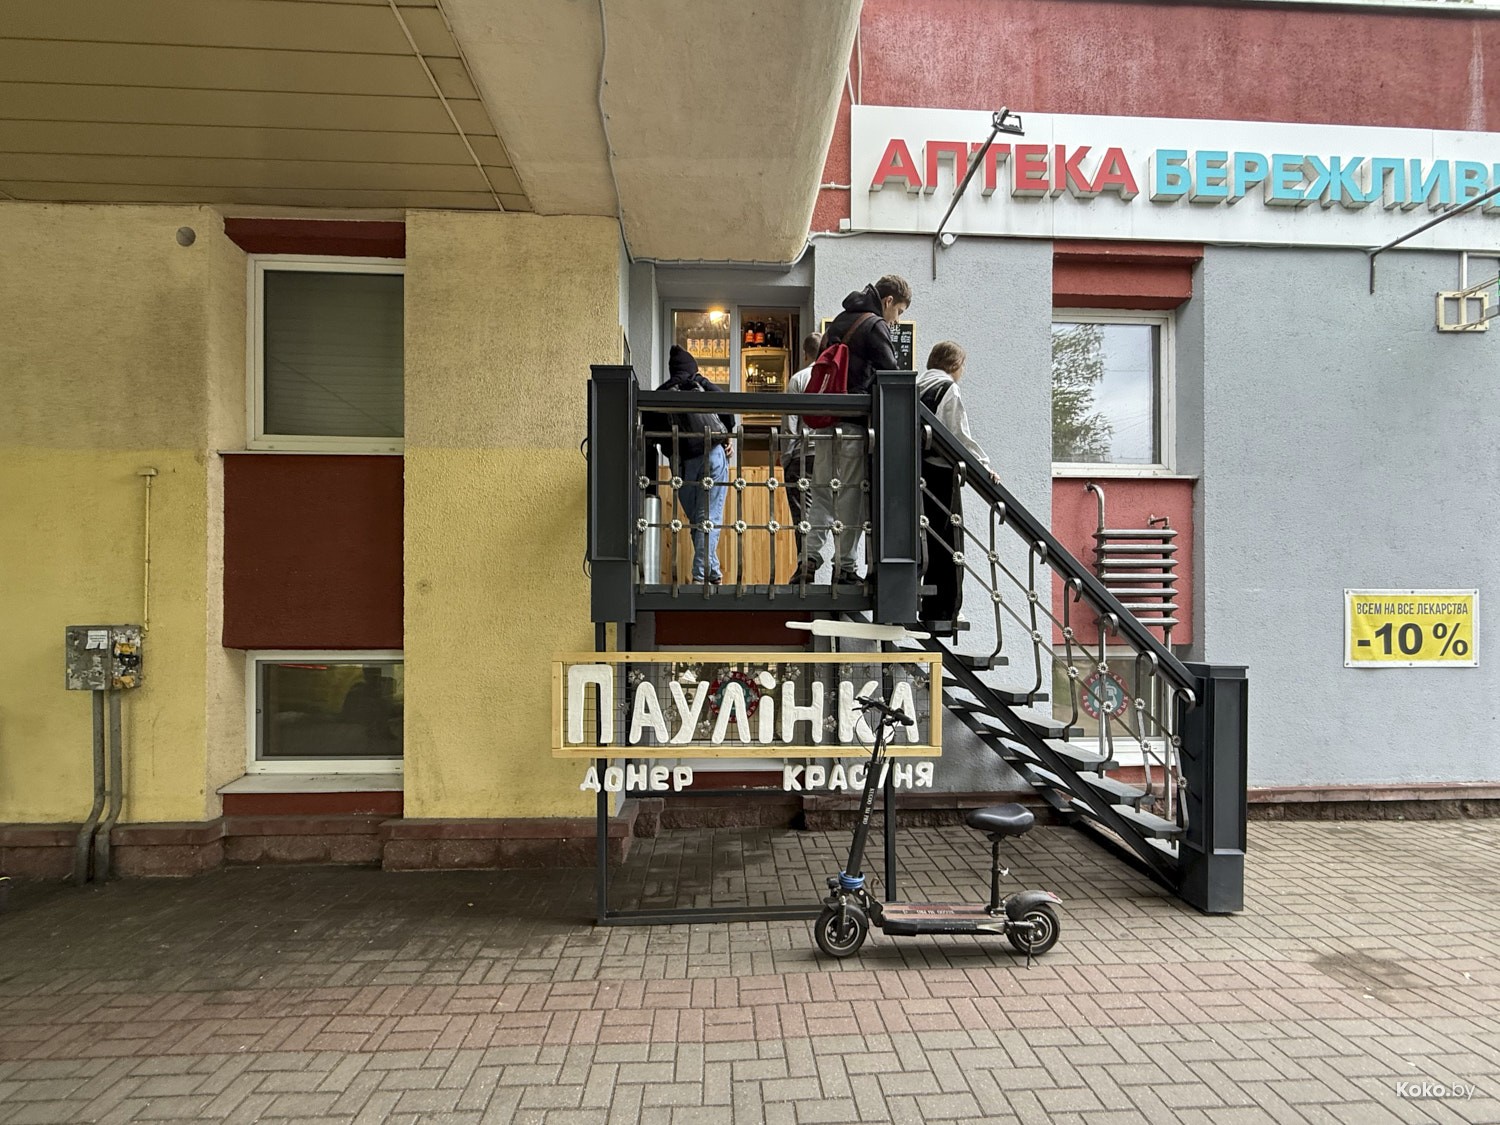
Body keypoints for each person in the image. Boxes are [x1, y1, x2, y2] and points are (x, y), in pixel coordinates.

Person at [805, 274, 912, 584]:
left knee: (821, 493)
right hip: (852, 424)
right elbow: (891, 373)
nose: (896, 320)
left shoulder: (839, 321)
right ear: (888, 301)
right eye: (899, 312)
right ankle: (845, 567)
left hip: (826, 422)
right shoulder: (874, 324)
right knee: (850, 496)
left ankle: (807, 561)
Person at [916, 340, 998, 630]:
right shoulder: (947, 388)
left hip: (917, 472)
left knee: (926, 540)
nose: (963, 372)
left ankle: (926, 605)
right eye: (963, 365)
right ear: (954, 365)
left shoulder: (916, 387)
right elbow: (959, 435)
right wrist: (984, 467)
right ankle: (946, 609)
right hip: (940, 473)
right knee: (949, 542)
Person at [659, 344, 735, 584]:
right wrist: (727, 436)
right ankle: (702, 576)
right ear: (693, 368)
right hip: (712, 453)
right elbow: (727, 408)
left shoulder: (663, 392)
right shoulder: (700, 383)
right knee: (707, 518)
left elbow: (654, 433)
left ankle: (712, 573)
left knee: (699, 521)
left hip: (681, 463)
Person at [780, 332, 822, 578]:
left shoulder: (799, 379)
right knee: (828, 513)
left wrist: (786, 459)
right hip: (828, 455)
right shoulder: (835, 378)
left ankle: (805, 566)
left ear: (806, 354)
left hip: (802, 455)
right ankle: (842, 567)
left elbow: (790, 426)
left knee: (803, 516)